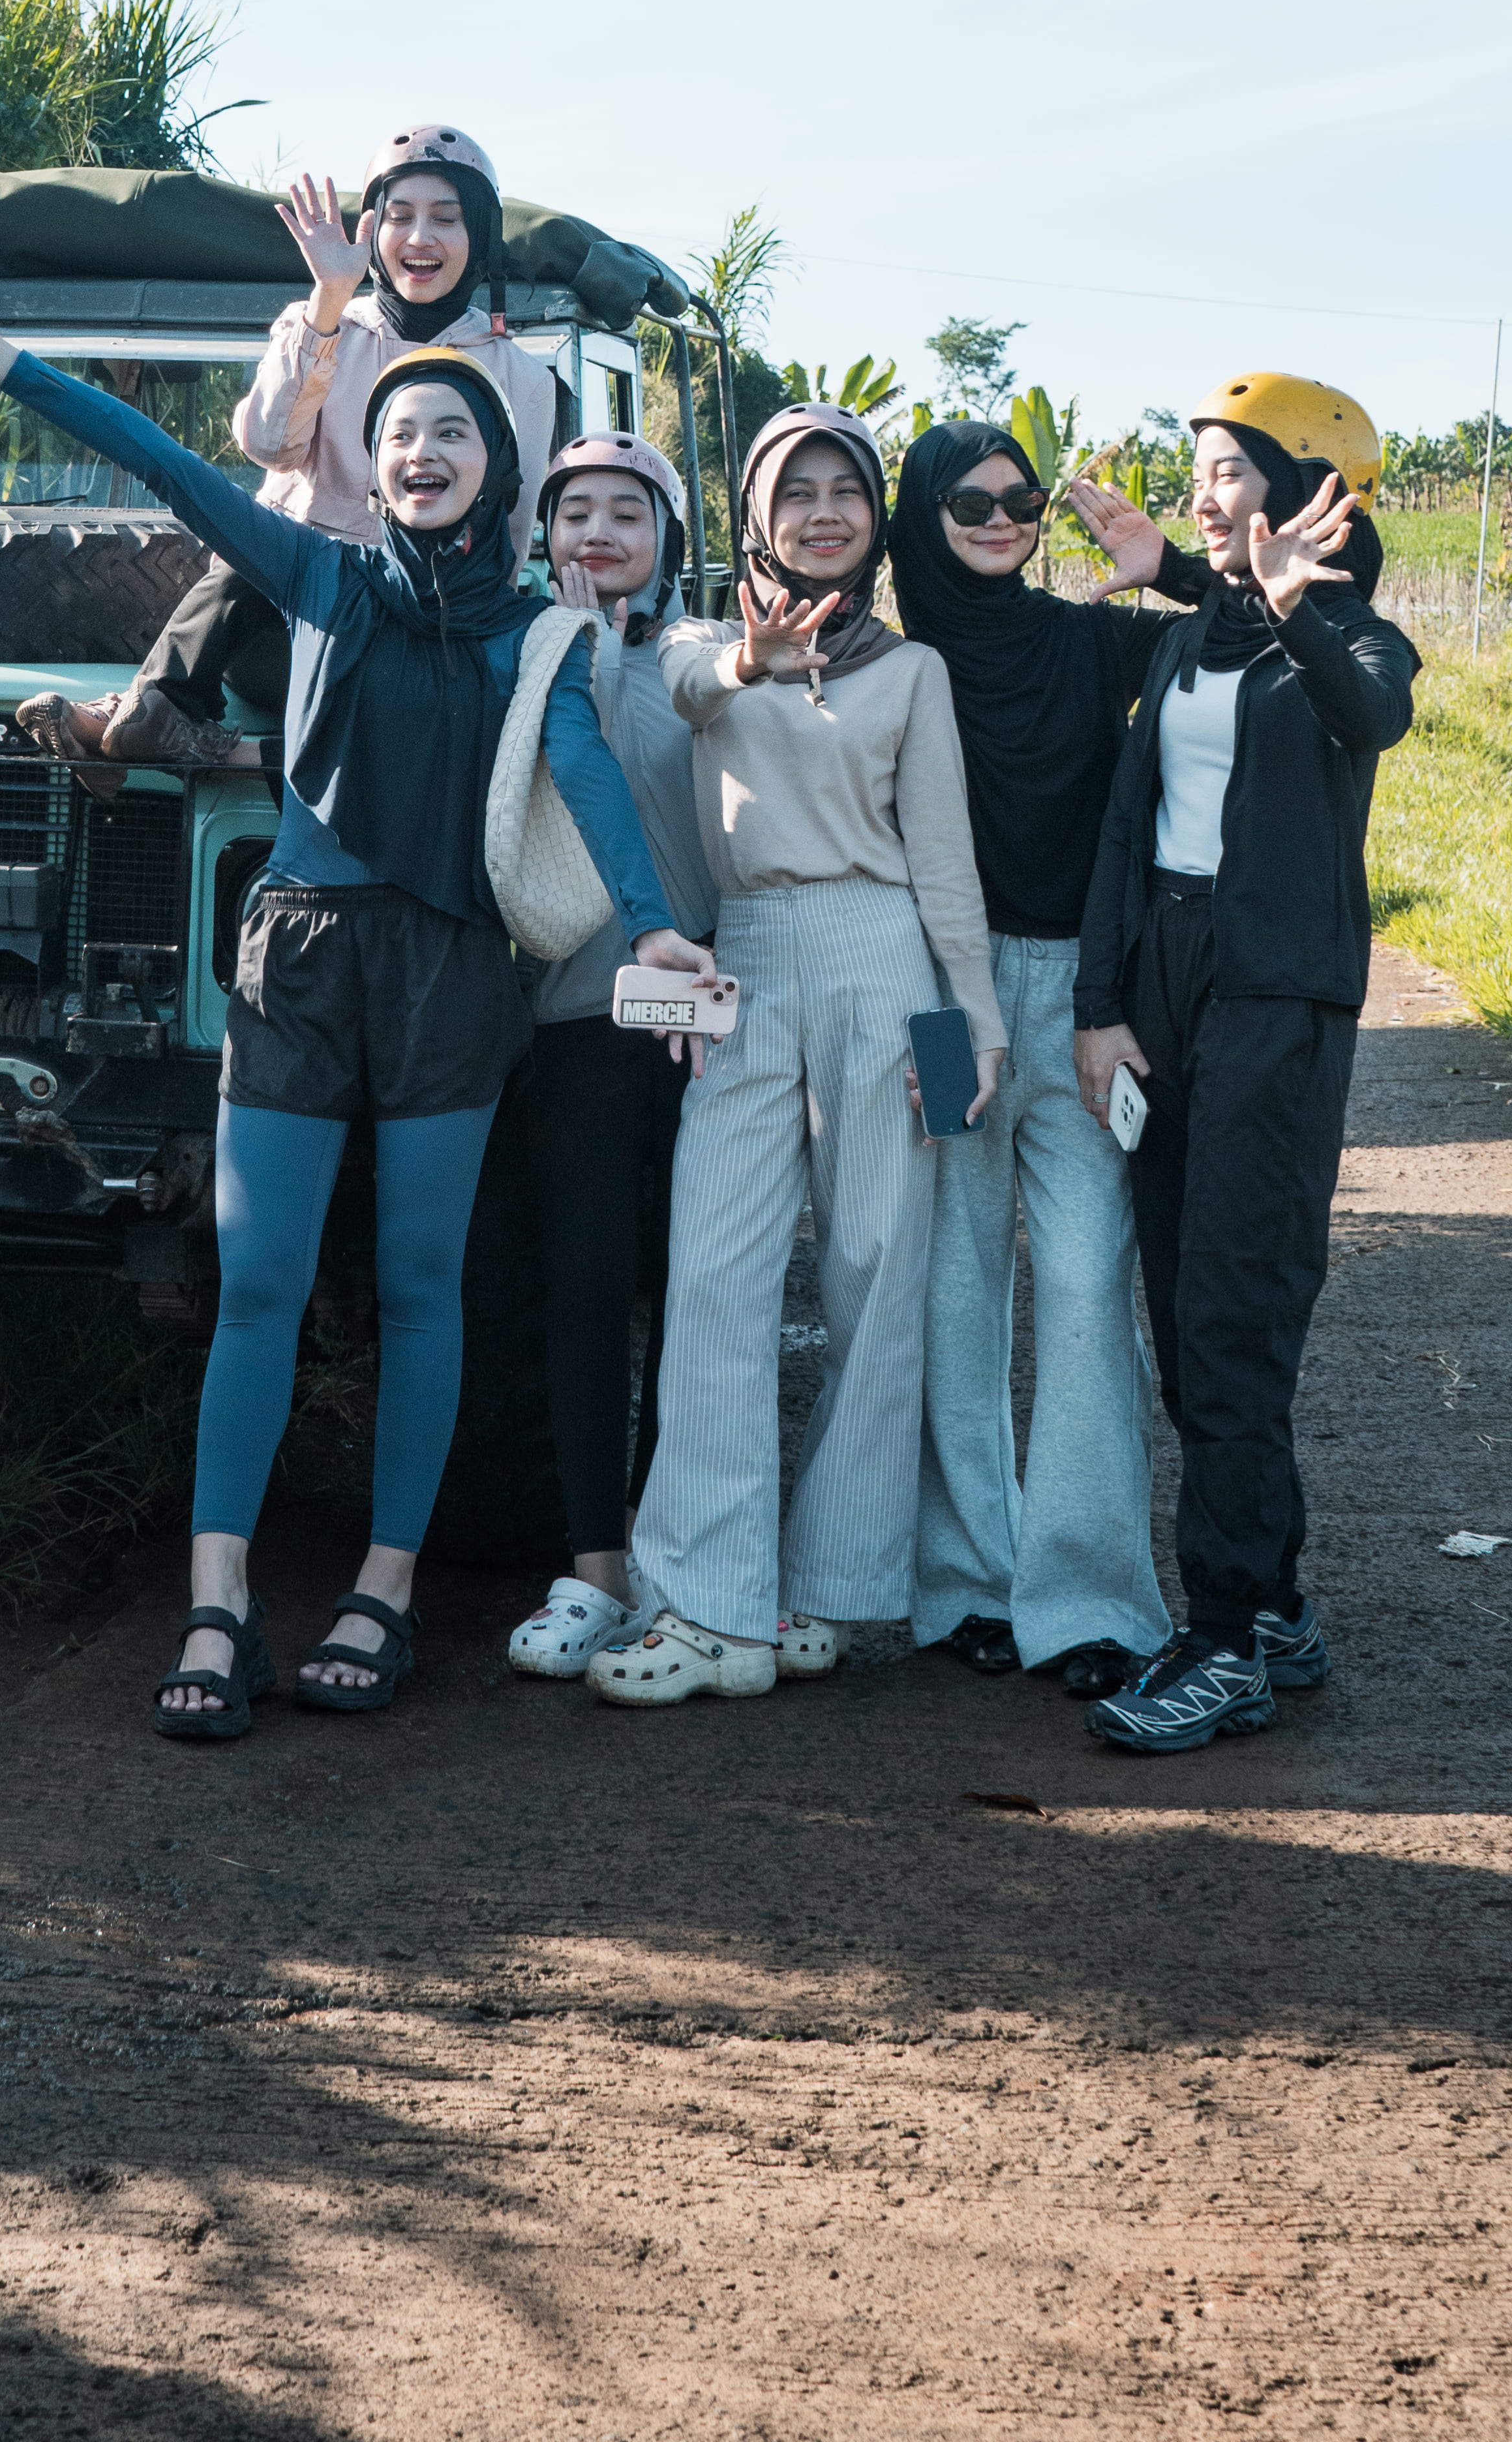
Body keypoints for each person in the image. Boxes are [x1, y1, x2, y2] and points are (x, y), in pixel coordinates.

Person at [0, 246, 715, 1744]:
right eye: (399, 430)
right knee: (256, 1280)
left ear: (496, 469)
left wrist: (649, 930)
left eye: (452, 430)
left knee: (418, 1288)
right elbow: (166, 466)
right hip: (303, 954)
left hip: (450, 970)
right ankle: (219, 1603)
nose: (423, 447)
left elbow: (585, 782)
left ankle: (382, 1591)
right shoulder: (318, 574)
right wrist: (0, 359)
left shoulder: (536, 638)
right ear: (369, 467)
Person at [589, 407, 1006, 1710]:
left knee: (879, 1268)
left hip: (888, 957)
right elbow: (692, 693)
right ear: (756, 519)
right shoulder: (698, 642)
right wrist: (753, 660)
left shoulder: (912, 671)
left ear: (874, 521)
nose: (823, 513)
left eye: (846, 493)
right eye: (796, 494)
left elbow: (942, 865)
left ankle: (830, 1587)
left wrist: (974, 1025)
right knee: (713, 1272)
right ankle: (707, 1606)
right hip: (749, 954)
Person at [1071, 376, 1416, 1754]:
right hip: (1162, 982)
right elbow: (1126, 827)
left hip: (1275, 999)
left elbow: (1366, 716)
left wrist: (1289, 606)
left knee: (1233, 1313)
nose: (1200, 492)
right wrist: (1098, 1008)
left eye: (1224, 468)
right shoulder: (1187, 643)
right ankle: (1269, 1604)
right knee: (1180, 1306)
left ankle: (1220, 1642)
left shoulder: (1354, 637)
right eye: (1199, 470)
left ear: (1301, 486)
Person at [891, 425, 1209, 1701]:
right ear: (920, 517)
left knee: (1085, 1286)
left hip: (1086, 1003)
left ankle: (1087, 1602)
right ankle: (966, 1583)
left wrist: (1169, 568)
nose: (998, 518)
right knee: (956, 1285)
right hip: (937, 998)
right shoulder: (890, 662)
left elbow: (1272, 633)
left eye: (1019, 498)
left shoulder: (1090, 641)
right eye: (965, 501)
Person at [21, 124, 556, 780]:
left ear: (481, 236)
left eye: (446, 219)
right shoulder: (322, 323)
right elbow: (270, 447)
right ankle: (155, 710)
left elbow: (509, 534)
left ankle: (171, 732)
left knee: (405, 729)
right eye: (399, 216)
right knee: (258, 546)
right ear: (372, 230)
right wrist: (329, 301)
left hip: (414, 627)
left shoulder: (520, 377)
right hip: (276, 618)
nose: (420, 238)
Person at [506, 433, 717, 1681]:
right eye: (574, 510)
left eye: (627, 512)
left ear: (667, 536)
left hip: (707, 1022)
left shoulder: (703, 654)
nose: (598, 531)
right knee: (585, 1289)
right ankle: (594, 1568)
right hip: (575, 1020)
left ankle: (671, 1554)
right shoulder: (530, 657)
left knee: (695, 1292)